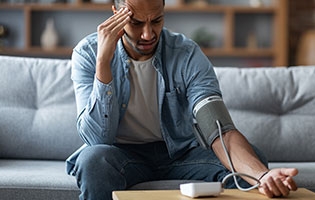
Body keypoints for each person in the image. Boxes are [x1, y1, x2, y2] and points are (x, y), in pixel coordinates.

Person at [66, 0, 298, 199]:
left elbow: (218, 129)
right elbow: (98, 139)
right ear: (116, 14)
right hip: (121, 155)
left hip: (179, 154)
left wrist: (263, 175)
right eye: (136, 23)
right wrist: (103, 64)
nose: (148, 34)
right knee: (93, 161)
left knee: (252, 162)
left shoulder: (187, 55)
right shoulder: (88, 53)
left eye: (156, 20)